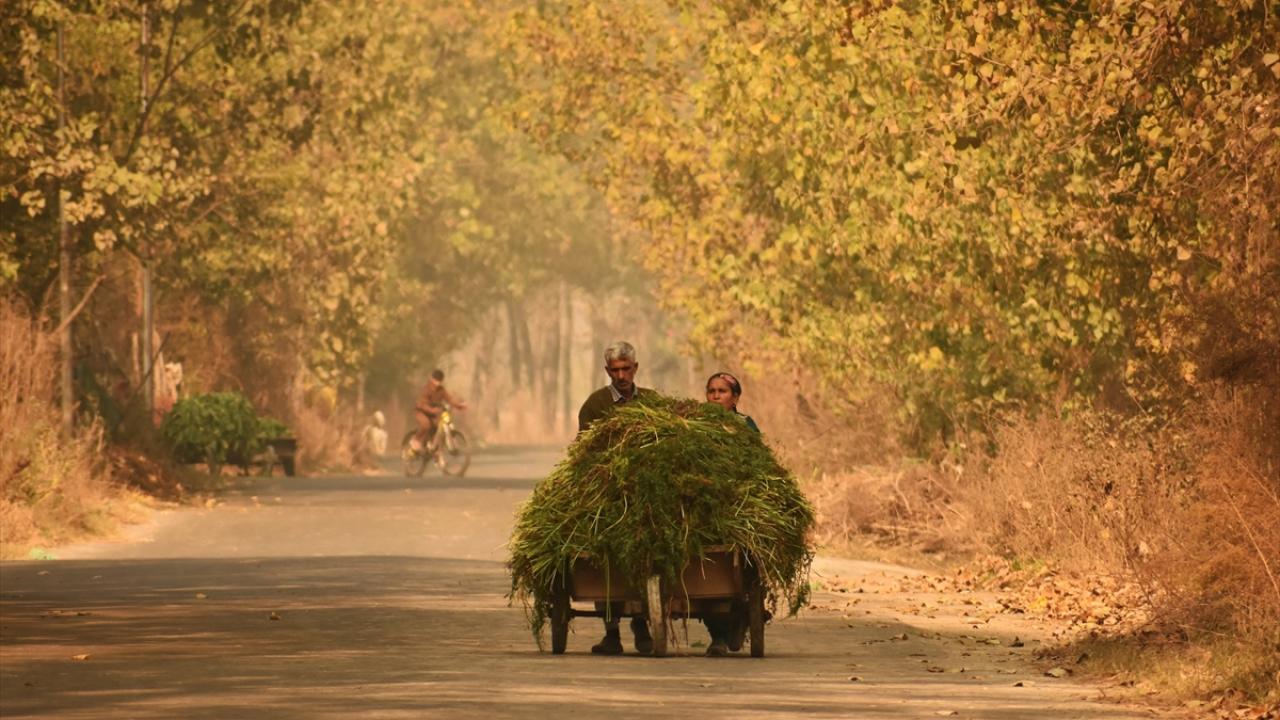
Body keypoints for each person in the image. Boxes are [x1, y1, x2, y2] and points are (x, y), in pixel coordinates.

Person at [577, 341, 656, 655]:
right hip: (607, 494)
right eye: (615, 370)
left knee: (647, 557)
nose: (621, 375)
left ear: (636, 368)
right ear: (607, 371)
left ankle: (642, 622)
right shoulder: (595, 404)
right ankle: (611, 631)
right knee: (604, 559)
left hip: (647, 493)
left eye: (627, 369)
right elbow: (585, 449)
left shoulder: (651, 402)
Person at [703, 371, 760, 656]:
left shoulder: (745, 426)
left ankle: (740, 619)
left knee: (742, 567)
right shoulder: (695, 424)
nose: (715, 396)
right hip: (705, 503)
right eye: (711, 391)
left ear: (735, 397)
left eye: (722, 391)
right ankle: (717, 636)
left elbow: (757, 464)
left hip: (736, 503)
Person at [413, 369, 466, 449]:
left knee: (438, 430)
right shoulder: (426, 389)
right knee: (426, 425)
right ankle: (416, 440)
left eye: (439, 381)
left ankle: (436, 455)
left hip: (433, 414)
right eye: (436, 380)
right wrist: (432, 410)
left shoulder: (441, 390)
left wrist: (459, 406)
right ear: (432, 379)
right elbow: (423, 404)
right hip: (421, 412)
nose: (437, 383)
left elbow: (450, 399)